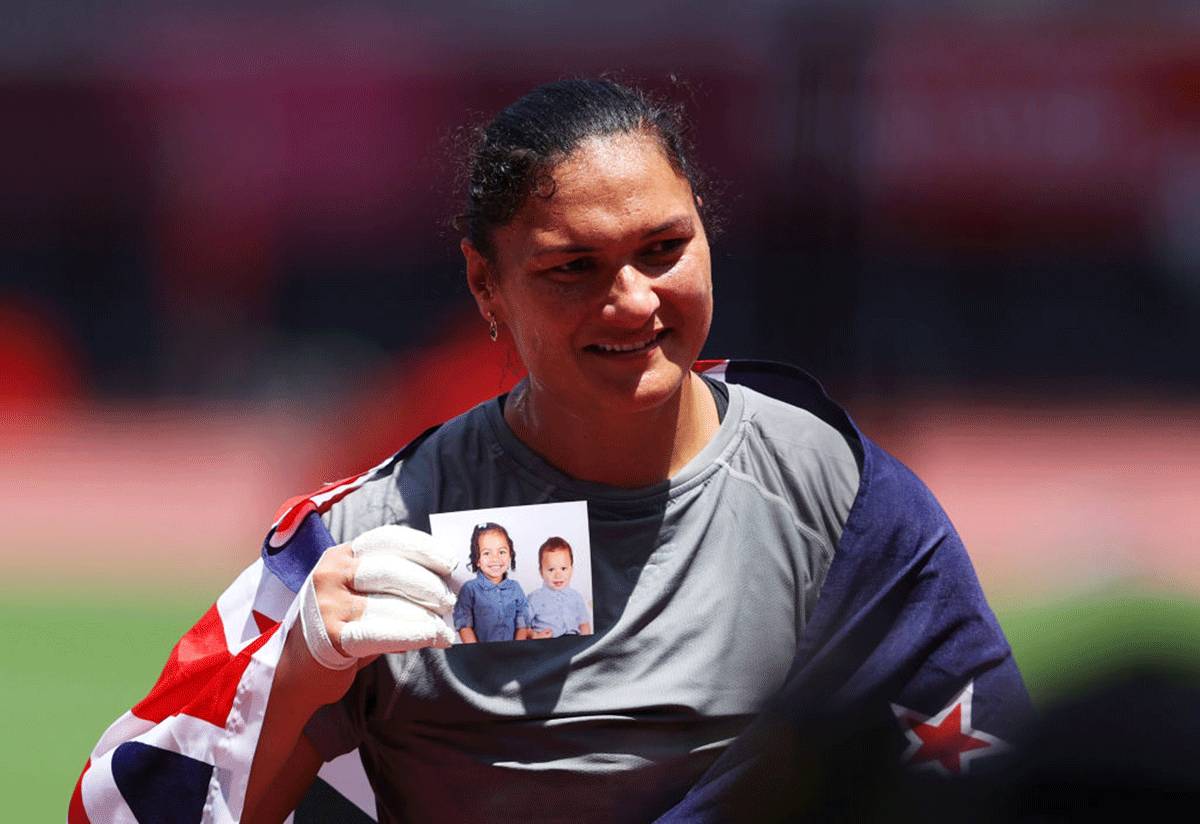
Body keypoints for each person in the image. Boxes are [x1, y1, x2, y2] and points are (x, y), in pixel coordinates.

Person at [71, 78, 1030, 824]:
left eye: (664, 248)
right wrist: (301, 668)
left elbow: (993, 767)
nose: (632, 300)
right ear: (485, 286)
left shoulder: (835, 491)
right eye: (573, 268)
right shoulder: (375, 533)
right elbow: (124, 805)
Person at [453, 522, 532, 642]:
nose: (495, 559)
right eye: (486, 553)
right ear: (477, 560)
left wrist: (516, 649)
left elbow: (522, 623)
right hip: (482, 655)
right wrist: (477, 653)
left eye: (501, 552)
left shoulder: (515, 588)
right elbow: (464, 624)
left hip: (512, 653)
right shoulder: (470, 589)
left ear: (510, 555)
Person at [527, 536, 592, 638]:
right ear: (541, 571)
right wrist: (535, 635)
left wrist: (586, 642)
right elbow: (522, 626)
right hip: (548, 643)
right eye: (551, 570)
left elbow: (584, 625)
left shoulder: (576, 597)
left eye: (563, 568)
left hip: (573, 642)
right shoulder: (534, 597)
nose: (558, 575)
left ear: (571, 569)